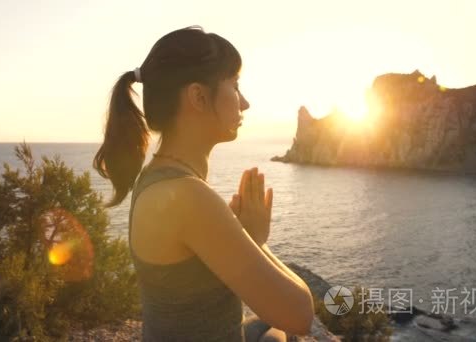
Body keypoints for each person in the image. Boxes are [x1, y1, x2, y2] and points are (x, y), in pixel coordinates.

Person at [93, 25, 313, 342]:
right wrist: (257, 242)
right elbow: (300, 314)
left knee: (273, 334)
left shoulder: (158, 178)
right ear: (198, 96)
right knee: (284, 335)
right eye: (235, 86)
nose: (245, 103)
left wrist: (247, 238)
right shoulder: (186, 196)